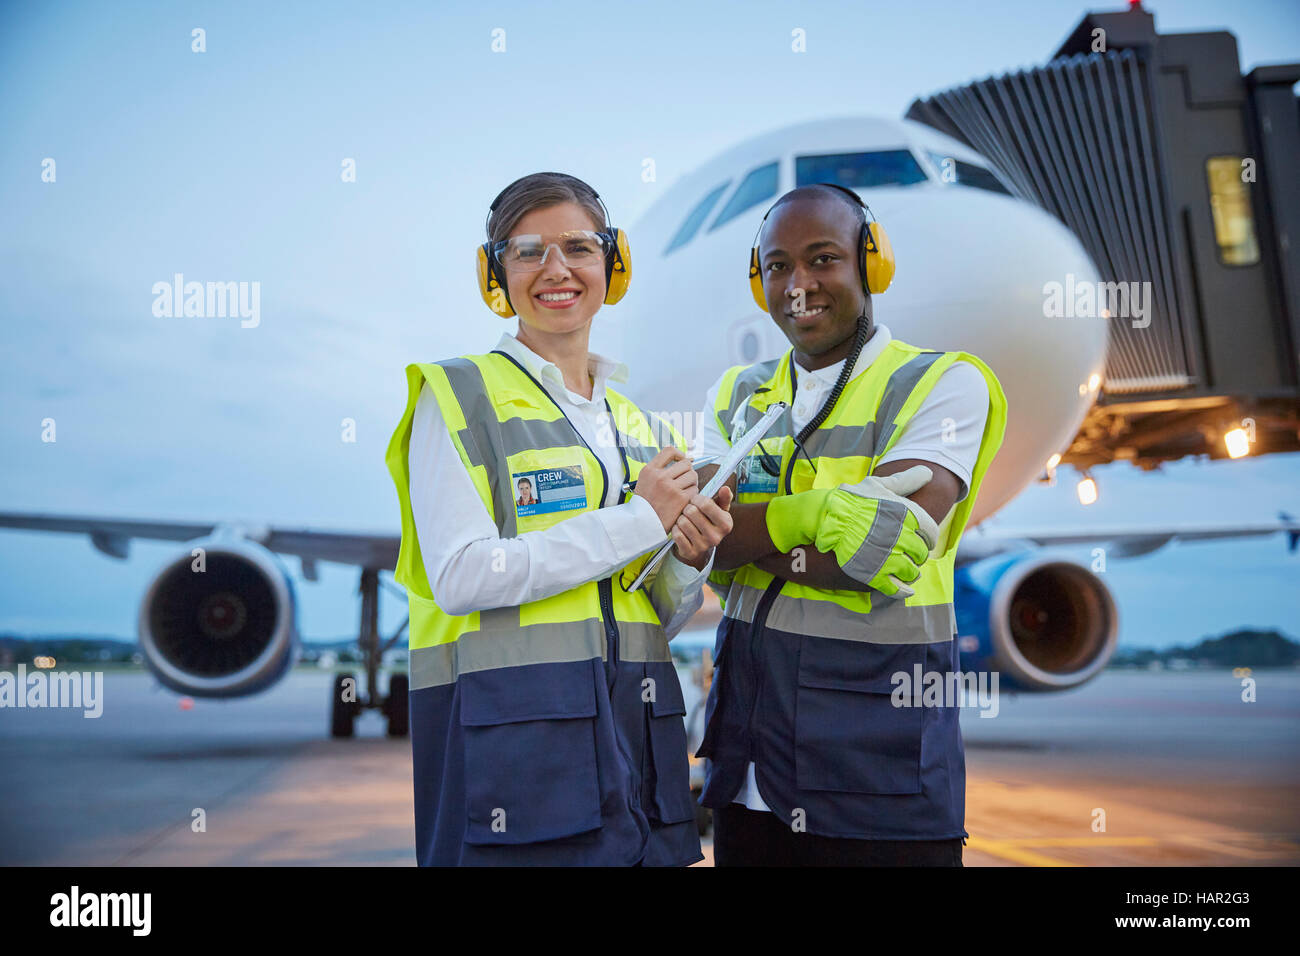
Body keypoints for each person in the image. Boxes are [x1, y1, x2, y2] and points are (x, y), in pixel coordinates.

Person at [384, 171, 733, 866]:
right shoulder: (457, 397)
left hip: (639, 758)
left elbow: (645, 615)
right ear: (496, 273)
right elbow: (460, 576)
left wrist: (690, 561)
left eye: (577, 246)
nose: (556, 269)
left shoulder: (639, 426)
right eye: (527, 251)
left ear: (613, 262)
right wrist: (641, 521)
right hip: (517, 757)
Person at [693, 183, 1008, 866]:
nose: (798, 285)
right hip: (748, 779)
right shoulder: (739, 394)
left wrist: (742, 533)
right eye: (777, 266)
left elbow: (876, 550)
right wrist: (811, 517)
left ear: (873, 264)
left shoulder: (942, 383)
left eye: (823, 259)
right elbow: (697, 545)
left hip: (881, 783)